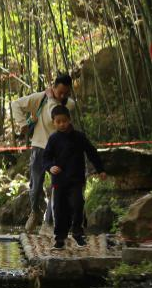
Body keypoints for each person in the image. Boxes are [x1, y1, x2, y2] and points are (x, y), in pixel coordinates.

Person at [10, 74, 75, 233]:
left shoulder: (70, 105)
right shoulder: (40, 99)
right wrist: (22, 123)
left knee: (57, 187)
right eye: (60, 92)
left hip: (58, 152)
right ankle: (35, 211)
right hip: (40, 148)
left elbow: (55, 114)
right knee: (36, 186)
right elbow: (15, 104)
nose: (63, 96)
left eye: (67, 93)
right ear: (53, 87)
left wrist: (52, 97)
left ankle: (49, 223)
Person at [43, 105, 106, 250]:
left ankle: (77, 233)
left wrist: (100, 169)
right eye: (58, 122)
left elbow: (92, 152)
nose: (61, 124)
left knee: (78, 205)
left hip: (76, 179)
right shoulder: (53, 139)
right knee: (59, 209)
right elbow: (46, 158)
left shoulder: (79, 137)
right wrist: (50, 167)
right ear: (53, 123)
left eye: (64, 121)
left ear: (69, 120)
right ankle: (60, 238)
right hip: (59, 181)